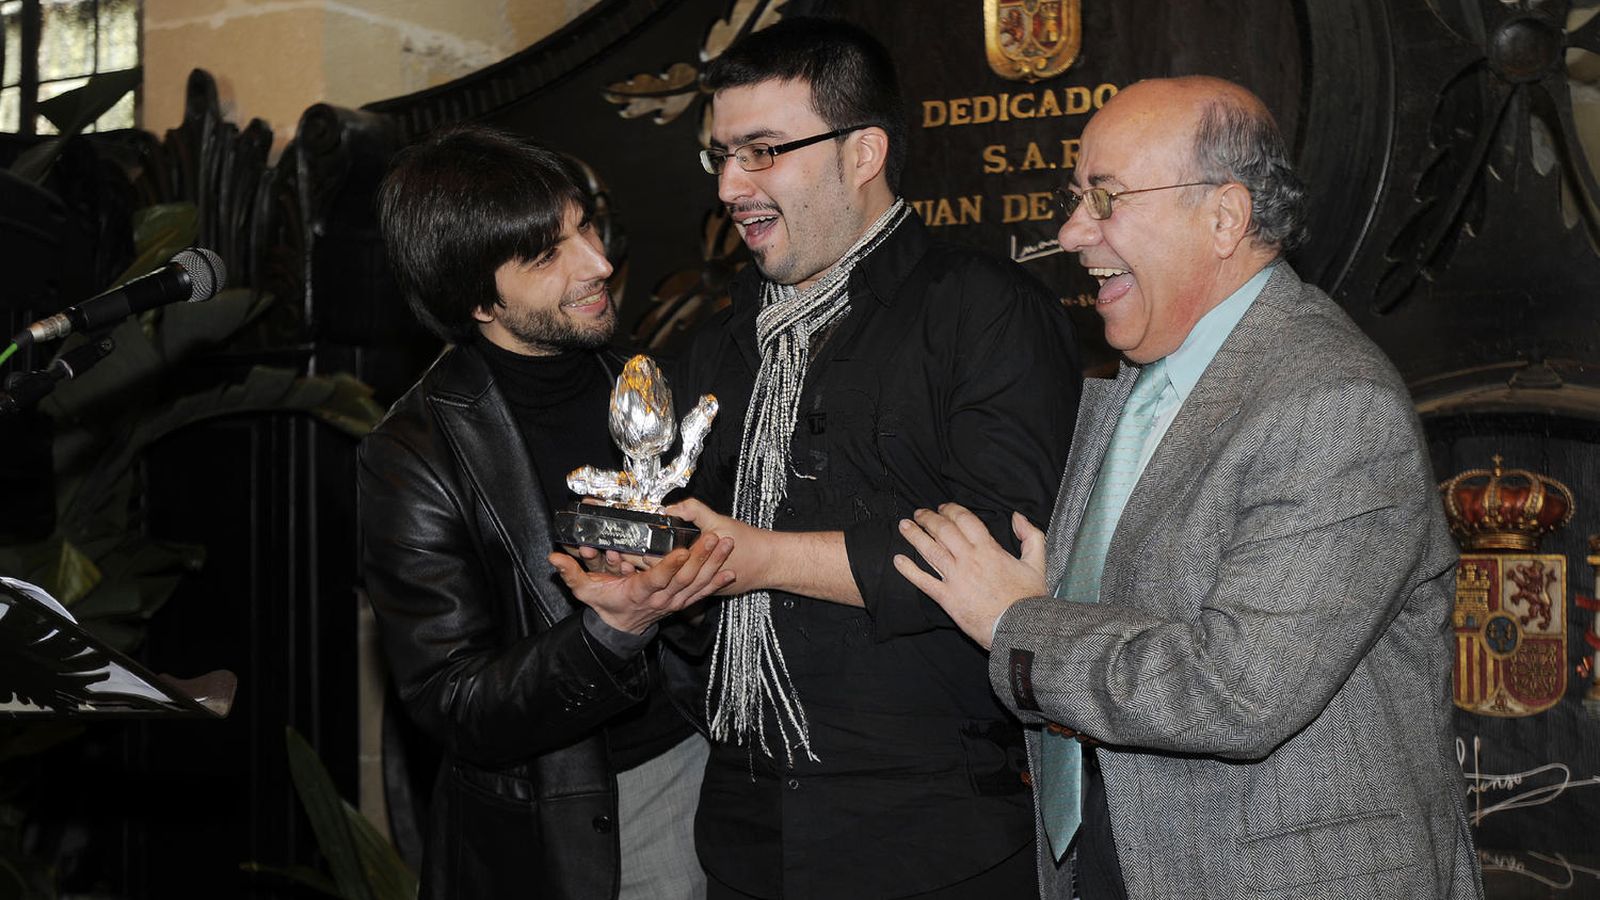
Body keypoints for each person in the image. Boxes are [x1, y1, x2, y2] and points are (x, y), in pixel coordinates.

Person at [894, 76, 1483, 899]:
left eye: (1104, 199)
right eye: (1074, 199)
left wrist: (1017, 623)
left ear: (1224, 218)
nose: (1070, 232)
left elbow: (1235, 692)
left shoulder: (1332, 402)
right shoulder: (1138, 387)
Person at [655, 16, 1081, 900]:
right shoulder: (714, 345)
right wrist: (661, 578)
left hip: (928, 838)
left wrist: (750, 556)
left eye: (763, 151)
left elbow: (995, 551)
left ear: (863, 152)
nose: (732, 184)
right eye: (721, 156)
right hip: (741, 830)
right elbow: (692, 583)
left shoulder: (981, 311)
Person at [359, 124, 733, 900]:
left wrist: (687, 588)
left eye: (584, 227)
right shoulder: (414, 454)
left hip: (721, 769)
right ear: (476, 299)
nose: (598, 263)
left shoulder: (637, 375)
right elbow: (453, 700)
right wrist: (610, 633)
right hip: (586, 820)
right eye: (547, 254)